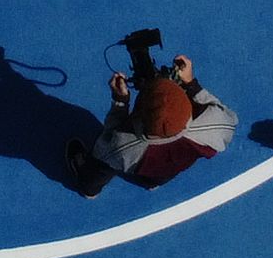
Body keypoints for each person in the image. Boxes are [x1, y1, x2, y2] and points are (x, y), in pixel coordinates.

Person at [66, 51, 235, 196]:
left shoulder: (123, 146)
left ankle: (89, 188)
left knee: (101, 164)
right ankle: (151, 182)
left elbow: (106, 144)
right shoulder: (216, 125)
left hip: (137, 158)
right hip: (165, 171)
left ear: (140, 112)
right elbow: (227, 117)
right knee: (160, 173)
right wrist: (191, 85)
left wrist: (120, 102)